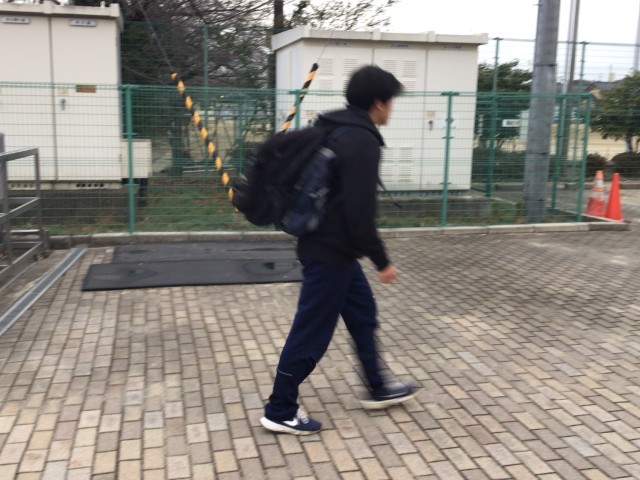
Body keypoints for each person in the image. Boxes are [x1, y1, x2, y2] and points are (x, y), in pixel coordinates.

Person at [260, 65, 416, 435]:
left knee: (362, 314)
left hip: (333, 250)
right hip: (329, 252)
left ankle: (377, 385)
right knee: (311, 331)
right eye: (391, 101)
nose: (392, 109)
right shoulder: (360, 141)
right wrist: (383, 261)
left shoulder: (334, 127)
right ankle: (280, 408)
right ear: (378, 102)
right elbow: (360, 214)